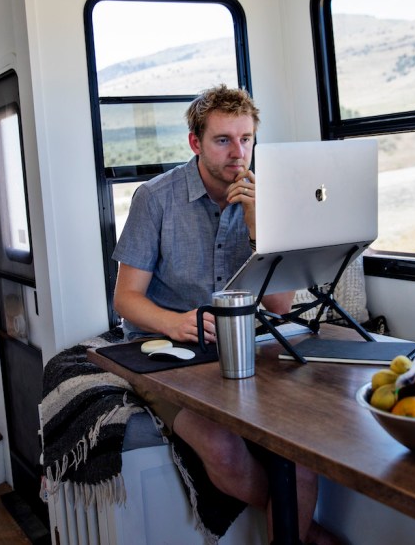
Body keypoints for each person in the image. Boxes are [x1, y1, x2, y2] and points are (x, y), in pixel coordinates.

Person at [112, 84, 338, 544]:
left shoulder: (267, 197)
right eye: (223, 140)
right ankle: (307, 532)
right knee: (221, 446)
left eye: (247, 139)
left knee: (300, 450)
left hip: (245, 343)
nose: (239, 153)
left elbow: (278, 307)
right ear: (196, 143)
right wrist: (175, 322)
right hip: (167, 351)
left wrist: (260, 228)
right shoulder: (154, 199)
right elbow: (126, 299)